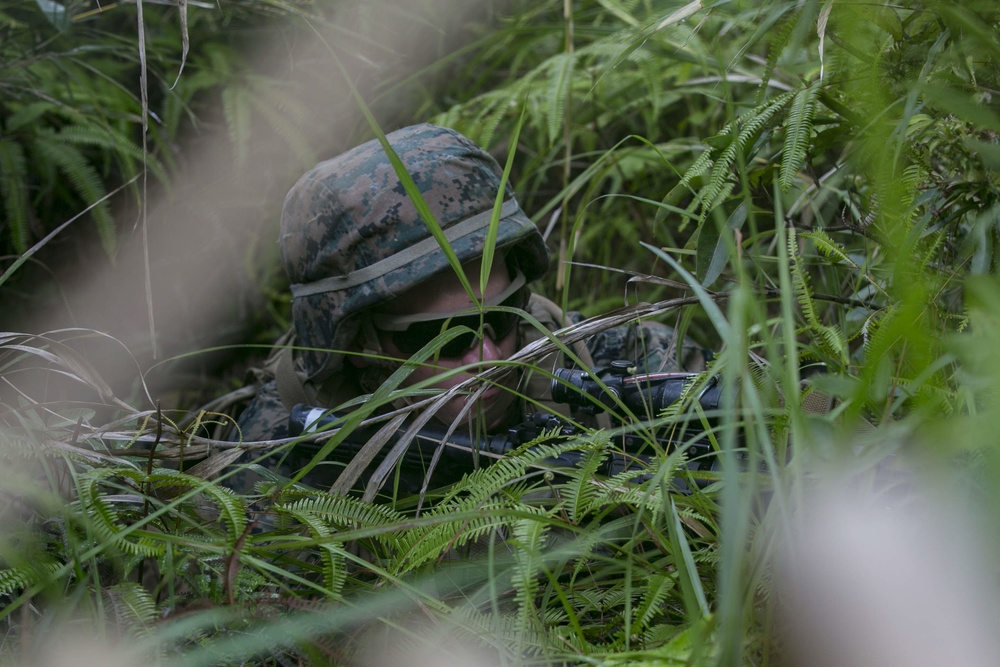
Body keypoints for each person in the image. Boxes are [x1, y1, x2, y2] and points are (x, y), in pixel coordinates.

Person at [231, 123, 705, 493]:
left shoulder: (627, 368)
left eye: (501, 319)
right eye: (442, 338)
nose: (489, 359)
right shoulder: (264, 467)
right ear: (357, 343)